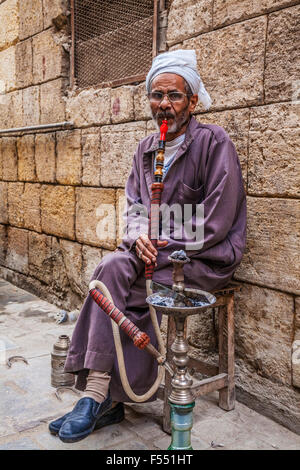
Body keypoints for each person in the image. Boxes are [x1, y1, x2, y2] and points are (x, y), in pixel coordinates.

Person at [49, 50, 246, 443]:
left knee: (130, 287)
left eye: (174, 96)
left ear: (192, 101)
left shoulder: (213, 141)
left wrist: (159, 239)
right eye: (157, 96)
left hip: (201, 257)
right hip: (153, 253)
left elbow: (218, 218)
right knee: (108, 273)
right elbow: (135, 206)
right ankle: (98, 394)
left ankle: (102, 397)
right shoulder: (145, 149)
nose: (165, 105)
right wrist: (137, 235)